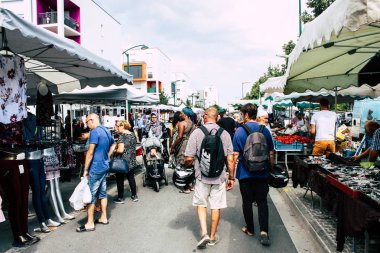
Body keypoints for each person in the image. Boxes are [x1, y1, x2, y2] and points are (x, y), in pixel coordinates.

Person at [184, 107, 235, 248]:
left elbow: (188, 158)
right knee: (216, 206)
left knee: (201, 204)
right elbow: (230, 159)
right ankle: (212, 237)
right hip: (219, 177)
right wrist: (231, 177)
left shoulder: (196, 133)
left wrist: (189, 164)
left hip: (201, 177)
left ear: (204, 117)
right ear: (217, 118)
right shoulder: (225, 134)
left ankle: (204, 233)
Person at [232, 103, 274, 246]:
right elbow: (271, 153)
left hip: (245, 173)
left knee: (247, 202)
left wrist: (231, 175)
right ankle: (264, 231)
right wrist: (271, 167)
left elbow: (235, 155)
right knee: (262, 202)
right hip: (262, 172)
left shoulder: (239, 131)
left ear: (246, 115)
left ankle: (250, 229)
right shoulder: (265, 130)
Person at [76, 113, 115, 232]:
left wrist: (85, 170)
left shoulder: (94, 132)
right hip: (104, 166)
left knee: (91, 195)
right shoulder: (106, 130)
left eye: (87, 123)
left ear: (92, 120)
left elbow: (90, 152)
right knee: (102, 192)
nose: (87, 126)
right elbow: (113, 144)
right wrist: (107, 156)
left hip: (95, 167)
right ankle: (103, 217)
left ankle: (90, 223)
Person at [171, 107, 196, 193]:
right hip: (192, 145)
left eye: (181, 113)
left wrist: (173, 146)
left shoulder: (182, 123)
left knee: (183, 166)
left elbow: (179, 136)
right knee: (190, 166)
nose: (180, 115)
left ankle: (186, 187)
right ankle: (191, 185)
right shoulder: (193, 124)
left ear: (185, 114)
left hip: (183, 145)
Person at [113, 120, 138, 204]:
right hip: (131, 160)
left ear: (123, 126)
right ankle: (134, 196)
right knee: (131, 177)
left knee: (120, 179)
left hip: (122, 161)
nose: (117, 128)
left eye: (118, 126)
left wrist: (114, 150)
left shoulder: (122, 136)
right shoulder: (132, 135)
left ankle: (120, 198)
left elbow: (120, 150)